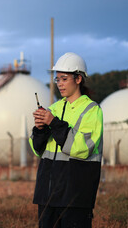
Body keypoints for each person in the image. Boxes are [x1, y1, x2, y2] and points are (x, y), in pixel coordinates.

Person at [29, 52, 103, 228]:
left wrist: (53, 123)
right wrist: (39, 130)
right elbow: (36, 150)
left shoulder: (92, 110)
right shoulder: (53, 108)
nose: (60, 84)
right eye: (57, 80)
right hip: (47, 196)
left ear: (78, 79)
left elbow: (82, 148)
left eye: (64, 79)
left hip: (75, 197)